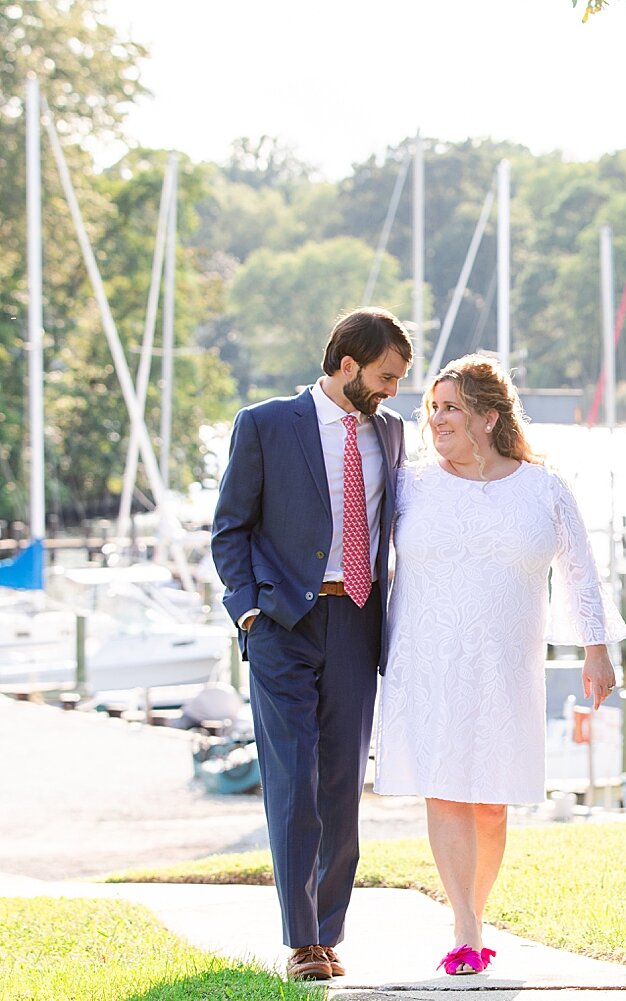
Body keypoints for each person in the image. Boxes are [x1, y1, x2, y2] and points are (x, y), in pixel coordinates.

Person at [374, 352, 626, 976]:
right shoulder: (411, 484)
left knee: (491, 800)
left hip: (506, 666)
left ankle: (475, 915)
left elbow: (580, 572)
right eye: (432, 407)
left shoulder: (543, 488)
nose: (436, 419)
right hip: (427, 660)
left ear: (487, 417)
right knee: (445, 788)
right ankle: (465, 927)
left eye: (451, 408)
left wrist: (596, 650)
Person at [211, 307, 411, 982]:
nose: (391, 391)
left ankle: (330, 931)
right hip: (283, 627)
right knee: (294, 780)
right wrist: (247, 613)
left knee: (341, 788)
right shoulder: (265, 423)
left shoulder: (392, 433)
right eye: (384, 376)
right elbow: (229, 529)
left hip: (358, 622)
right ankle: (302, 942)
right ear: (347, 363)